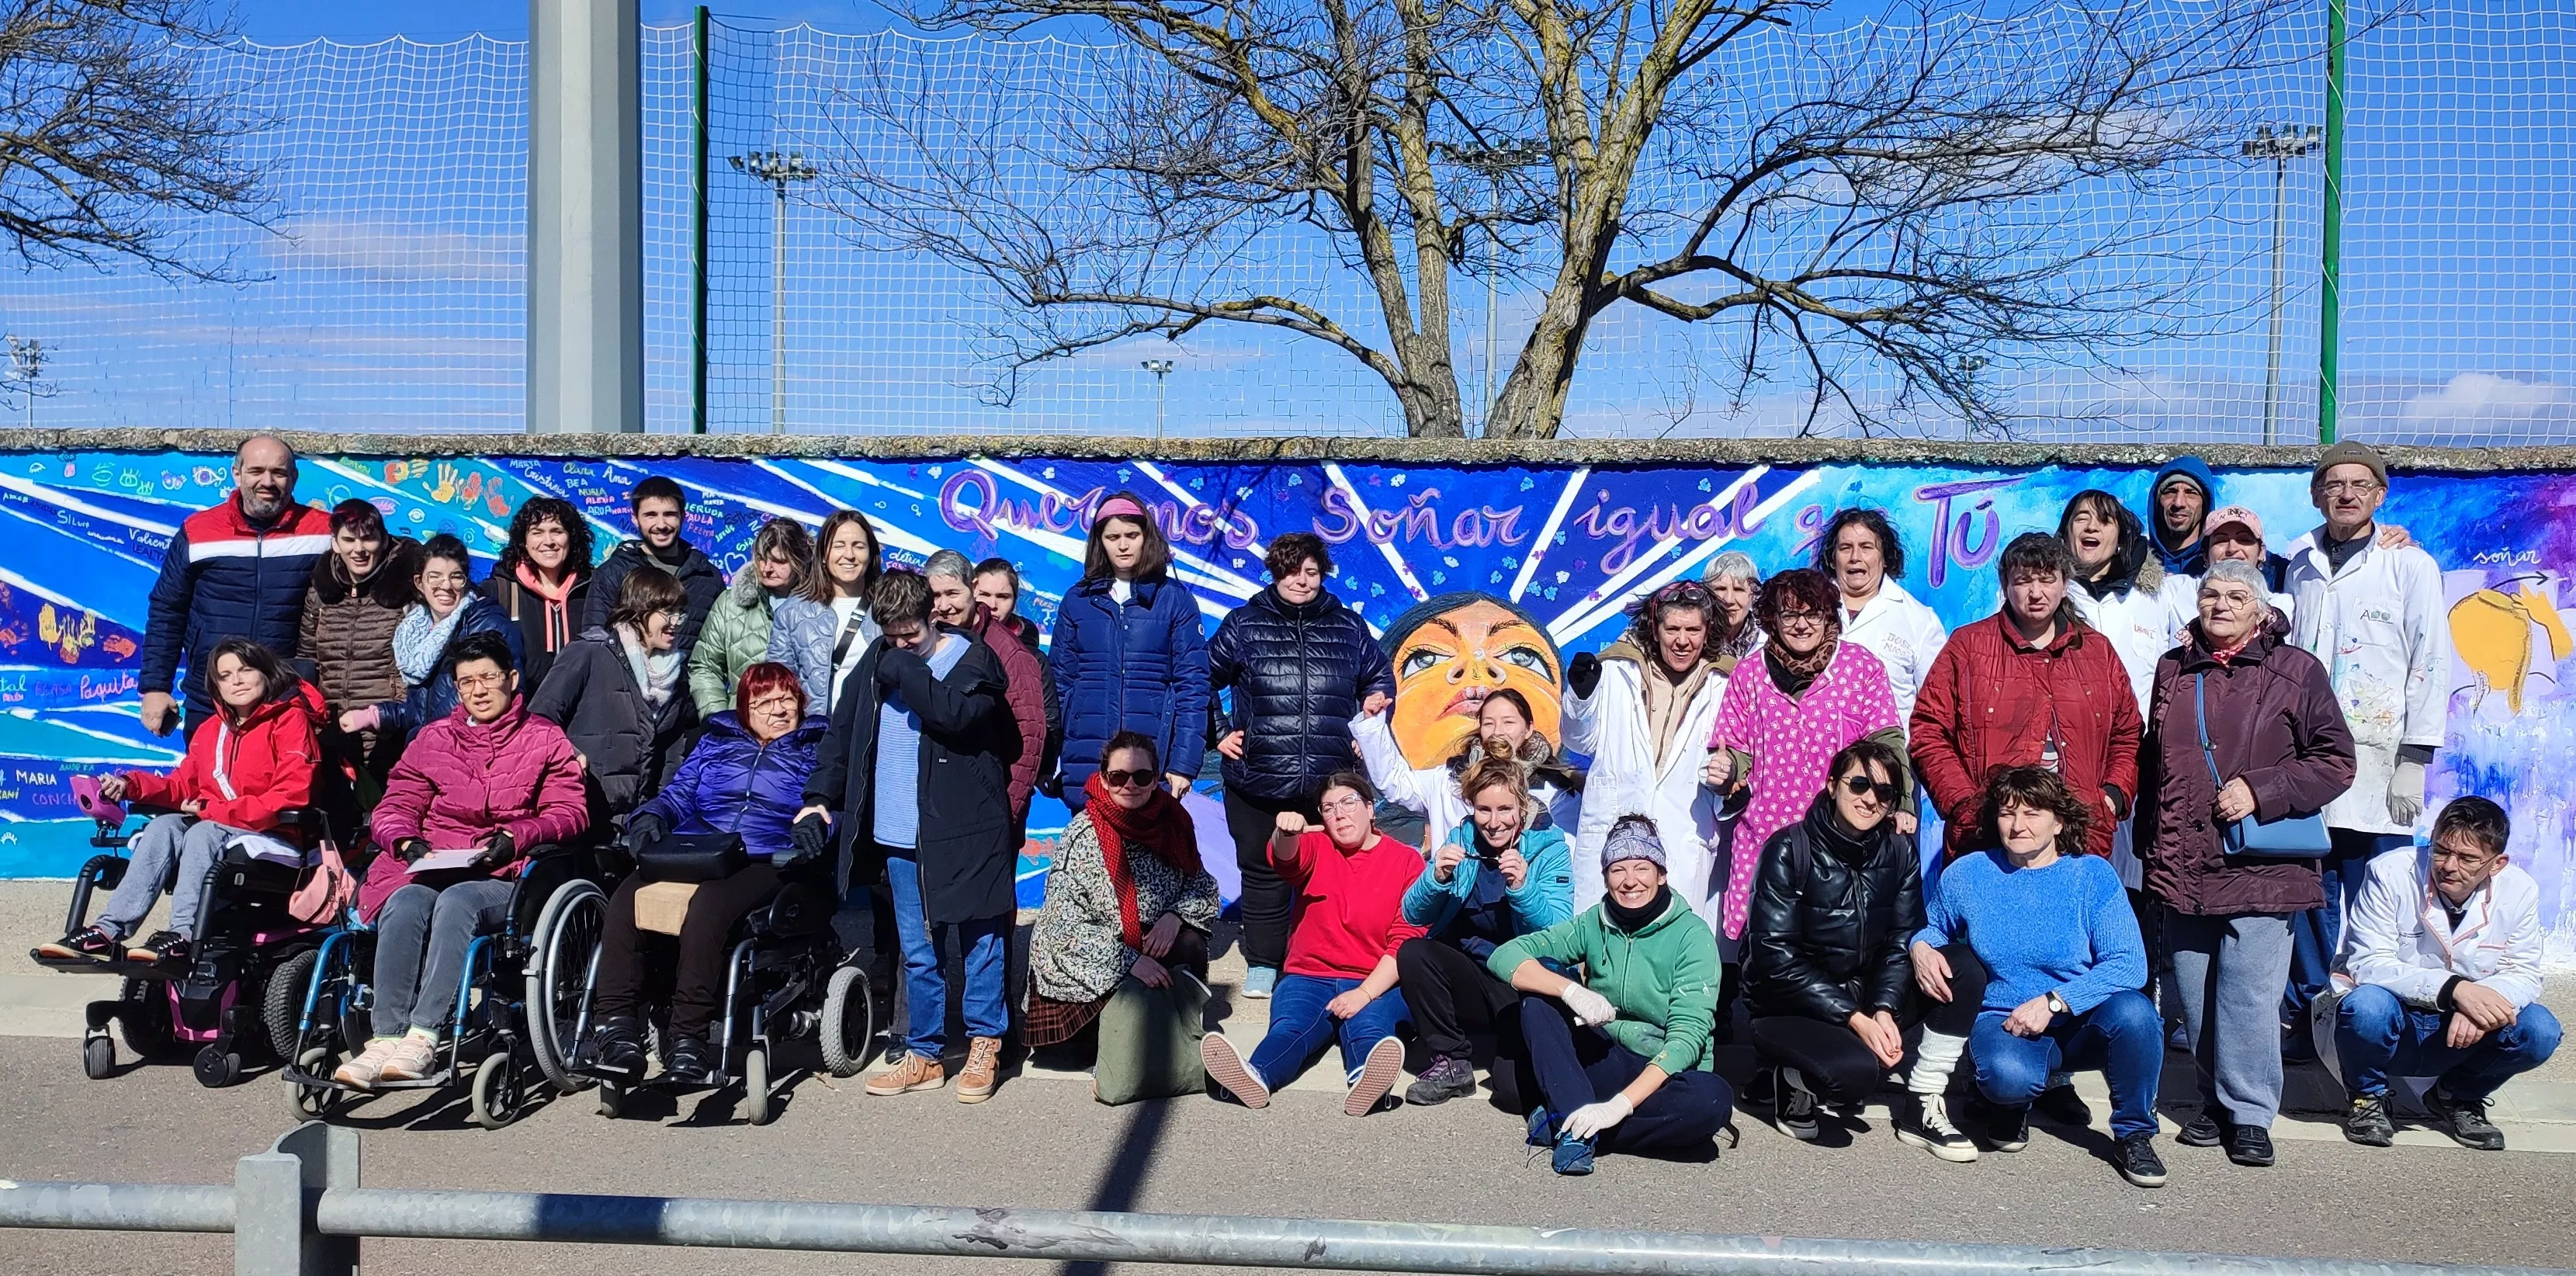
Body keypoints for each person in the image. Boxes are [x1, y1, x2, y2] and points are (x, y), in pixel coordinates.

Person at [2140, 559, 2356, 1167]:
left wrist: (2261, 790)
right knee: (2193, 995)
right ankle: (2213, 1101)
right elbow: (2155, 762)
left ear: (2260, 610)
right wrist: (2150, 846)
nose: (2221, 605)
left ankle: (2250, 1113)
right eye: (2210, 594)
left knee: (2248, 996)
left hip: (2260, 863)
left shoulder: (2296, 670)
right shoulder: (2173, 668)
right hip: (2183, 860)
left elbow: (2335, 760)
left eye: (2237, 596)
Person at [799, 570, 1019, 1104]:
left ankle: (984, 1044)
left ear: (933, 617)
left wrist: (905, 668)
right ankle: (924, 1054)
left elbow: (955, 715)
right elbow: (842, 733)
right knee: (919, 951)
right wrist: (819, 796)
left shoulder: (973, 661)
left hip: (967, 830)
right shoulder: (878, 659)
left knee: (981, 943)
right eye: (891, 636)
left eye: (911, 635)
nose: (900, 646)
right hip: (898, 832)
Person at [334, 633, 588, 1088]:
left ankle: (424, 1036)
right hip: (435, 862)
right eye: (467, 681)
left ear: (512, 679)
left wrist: (517, 836)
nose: (478, 690)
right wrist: (406, 842)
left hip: (505, 871)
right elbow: (396, 805)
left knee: (458, 903)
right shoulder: (432, 739)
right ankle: (386, 1038)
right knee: (404, 903)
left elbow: (570, 812)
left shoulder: (545, 738)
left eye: (488, 677)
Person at [1909, 766, 2167, 1188]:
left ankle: (2134, 1134)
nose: (2018, 825)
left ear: (2059, 822)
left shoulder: (2091, 876)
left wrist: (2055, 1002)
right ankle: (2013, 1103)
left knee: (2137, 1015)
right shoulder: (1969, 874)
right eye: (2008, 813)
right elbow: (1934, 928)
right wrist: (1921, 946)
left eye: (2032, 813)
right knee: (2007, 1079)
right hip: (2006, 1019)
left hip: (2081, 1019)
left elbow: (2129, 964)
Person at [580, 662, 829, 1087]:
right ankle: (617, 1030)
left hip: (764, 855)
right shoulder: (717, 740)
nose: (778, 710)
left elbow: (830, 803)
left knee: (707, 907)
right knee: (627, 898)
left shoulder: (816, 746)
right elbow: (679, 794)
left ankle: (688, 1040)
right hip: (699, 849)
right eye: (764, 702)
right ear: (744, 708)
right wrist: (651, 816)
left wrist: (819, 822)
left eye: (787, 700)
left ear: (801, 704)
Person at [2283, 441, 2454, 1042]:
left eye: (2359, 484)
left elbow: (2430, 658)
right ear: (2316, 495)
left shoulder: (2409, 565)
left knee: (2379, 888)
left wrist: (2415, 755)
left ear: (2379, 495)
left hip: (2380, 760)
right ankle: (2309, 1009)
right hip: (2306, 754)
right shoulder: (2297, 563)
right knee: (2309, 888)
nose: (2346, 494)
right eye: (2333, 484)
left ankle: (2374, 1014)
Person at [39, 640, 322, 966]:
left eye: (245, 670)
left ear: (265, 673)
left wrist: (210, 811)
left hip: (278, 834)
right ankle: (106, 932)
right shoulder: (212, 729)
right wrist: (129, 786)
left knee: (202, 832)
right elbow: (181, 786)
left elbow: (290, 795)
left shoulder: (290, 721)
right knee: (164, 826)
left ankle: (182, 937)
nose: (237, 681)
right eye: (225, 675)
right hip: (224, 828)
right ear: (216, 685)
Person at [1491, 817, 1735, 1176]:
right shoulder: (1594, 922)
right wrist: (1571, 990)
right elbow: (1504, 956)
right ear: (1606, 878)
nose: (1630, 880)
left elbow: (1687, 1039)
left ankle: (1569, 1124)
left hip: (1662, 1071)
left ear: (1661, 874)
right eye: (1618, 869)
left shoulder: (1692, 935)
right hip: (1606, 1054)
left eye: (1642, 867)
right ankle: (1577, 1128)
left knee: (1711, 1100)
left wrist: (1618, 1106)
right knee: (1539, 989)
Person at [1208, 532, 1395, 999]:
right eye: (1292, 571)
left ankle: (1325, 961)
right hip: (1258, 778)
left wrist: (1373, 712)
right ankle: (1264, 963)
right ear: (1275, 573)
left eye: (1311, 571)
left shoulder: (1348, 627)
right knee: (1264, 871)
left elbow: (1379, 678)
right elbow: (1200, 678)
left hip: (1329, 781)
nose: (1301, 580)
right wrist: (1218, 731)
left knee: (1332, 873)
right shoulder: (1244, 624)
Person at [2335, 796, 2560, 1152]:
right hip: (2396, 1022)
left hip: (2459, 1035)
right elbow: (2367, 962)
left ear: (2497, 864)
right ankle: (2367, 1097)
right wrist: (2456, 990)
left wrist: (2479, 1008)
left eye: (2467, 858)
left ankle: (2457, 1096)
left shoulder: (2520, 890)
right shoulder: (2389, 872)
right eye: (2440, 851)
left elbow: (2523, 972)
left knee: (2540, 1030)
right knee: (2366, 1006)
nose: (2448, 866)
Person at [1198, 772, 1422, 1117]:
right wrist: (1285, 832)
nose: (1339, 814)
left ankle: (1367, 1080)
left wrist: (1364, 994)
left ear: (1370, 809)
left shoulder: (1406, 860)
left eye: (1348, 803)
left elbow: (1406, 938)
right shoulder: (1316, 845)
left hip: (1375, 978)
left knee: (1369, 1027)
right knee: (1291, 1028)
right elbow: (1285, 859)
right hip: (1309, 974)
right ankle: (1255, 1075)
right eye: (1328, 808)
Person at [1910, 533, 2141, 865]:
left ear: (2065, 584)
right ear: (2006, 585)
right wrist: (1964, 803)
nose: (2036, 593)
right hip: (1987, 840)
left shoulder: (2097, 651)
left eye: (2047, 580)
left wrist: (2112, 796)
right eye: (2023, 581)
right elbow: (1929, 731)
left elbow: (2127, 732)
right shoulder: (1968, 646)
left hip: (2080, 839)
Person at [1704, 568, 1906, 944]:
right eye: (1790, 615)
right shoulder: (1749, 674)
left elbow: (1888, 743)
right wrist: (1728, 769)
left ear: (1829, 616)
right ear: (1772, 619)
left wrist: (1903, 802)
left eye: (1812, 614)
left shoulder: (1861, 668)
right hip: (1766, 834)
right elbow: (1735, 748)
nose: (1801, 625)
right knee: (1766, 947)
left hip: (1841, 839)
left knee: (1836, 942)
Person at [1025, 732, 1222, 1105]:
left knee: (1192, 943)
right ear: (1103, 779)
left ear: (1156, 778)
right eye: (1118, 777)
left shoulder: (1174, 822)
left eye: (1142, 776)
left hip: (1152, 940)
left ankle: (1166, 1047)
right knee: (1076, 1053)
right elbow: (1062, 928)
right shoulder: (1082, 833)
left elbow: (1202, 886)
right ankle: (1166, 1050)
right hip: (1094, 959)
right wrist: (1128, 962)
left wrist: (1175, 916)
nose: (1130, 785)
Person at [1741, 740, 1923, 1141]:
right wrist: (1854, 1018)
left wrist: (1884, 1010)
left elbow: (1901, 939)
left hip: (1863, 995)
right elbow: (1775, 957)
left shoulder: (1899, 851)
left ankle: (1926, 1096)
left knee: (1957, 968)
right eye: (1859, 784)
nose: (1870, 799)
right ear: (1832, 785)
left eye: (1884, 792)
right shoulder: (1789, 849)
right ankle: (1790, 1076)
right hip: (1790, 1005)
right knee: (1853, 1076)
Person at [1395, 758, 1574, 1107]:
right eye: (1484, 810)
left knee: (1512, 1093)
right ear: (1472, 807)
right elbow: (1412, 914)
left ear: (1523, 807)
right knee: (1414, 952)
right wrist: (1436, 878)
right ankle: (1451, 1061)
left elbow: (1559, 934)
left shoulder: (1550, 849)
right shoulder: (1461, 839)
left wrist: (1523, 888)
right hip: (1471, 977)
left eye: (1505, 809)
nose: (1494, 823)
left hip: (1521, 983)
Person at [140, 435, 334, 737]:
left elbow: (379, 559)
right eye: (256, 471)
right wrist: (155, 686)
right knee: (209, 772)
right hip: (212, 697)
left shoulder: (324, 532)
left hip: (286, 698)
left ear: (294, 478)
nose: (267, 482)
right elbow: (168, 609)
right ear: (237, 473)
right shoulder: (198, 531)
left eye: (278, 473)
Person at [1562, 580, 1728, 930]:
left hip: (1683, 834)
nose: (1682, 641)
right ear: (1655, 629)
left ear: (1707, 631)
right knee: (1601, 943)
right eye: (1673, 629)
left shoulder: (1725, 683)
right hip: (1614, 827)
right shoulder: (1616, 670)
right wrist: (1580, 698)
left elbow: (1736, 762)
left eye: (1692, 630)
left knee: (1673, 945)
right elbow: (1579, 742)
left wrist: (1728, 781)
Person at [1049, 494, 1211, 806]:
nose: (1123, 545)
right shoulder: (1077, 600)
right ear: (1100, 542)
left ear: (1146, 538)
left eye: (1131, 535)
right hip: (1088, 757)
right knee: (1090, 839)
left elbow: (1193, 687)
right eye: (1113, 537)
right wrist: (1048, 759)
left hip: (1152, 762)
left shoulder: (1174, 599)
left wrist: (1184, 764)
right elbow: (1059, 685)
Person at [530, 567, 699, 820]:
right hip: (584, 810)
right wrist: (573, 760)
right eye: (668, 612)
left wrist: (660, 808)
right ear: (640, 610)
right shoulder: (589, 652)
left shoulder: (676, 674)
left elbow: (673, 748)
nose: (676, 622)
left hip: (638, 817)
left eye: (679, 613)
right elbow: (540, 720)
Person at [1355, 686, 1583, 862]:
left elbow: (1567, 854)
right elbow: (1396, 783)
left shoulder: (1556, 791)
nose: (1498, 732)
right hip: (1457, 899)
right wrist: (1373, 725)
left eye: (1509, 722)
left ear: (1528, 729)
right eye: (1489, 723)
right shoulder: (1450, 779)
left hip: (1523, 901)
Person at [338, 534, 523, 742]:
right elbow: (423, 714)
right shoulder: (415, 632)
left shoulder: (486, 625)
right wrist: (375, 716)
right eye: (435, 576)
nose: (446, 586)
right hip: (430, 748)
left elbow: (509, 703)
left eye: (456, 576)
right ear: (420, 582)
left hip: (470, 749)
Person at [298, 500, 419, 796]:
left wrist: (397, 719)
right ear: (335, 544)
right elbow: (307, 662)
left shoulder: (407, 593)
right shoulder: (320, 595)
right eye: (349, 540)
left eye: (368, 539)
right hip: (332, 734)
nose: (359, 549)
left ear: (384, 540)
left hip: (389, 735)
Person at [927, 549, 1047, 828]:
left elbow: (1029, 738)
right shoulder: (922, 641)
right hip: (932, 813)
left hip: (987, 816)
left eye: (952, 594)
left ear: (972, 588)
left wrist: (1004, 815)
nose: (944, 605)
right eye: (936, 595)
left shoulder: (1009, 653)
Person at [1817, 508, 1947, 733]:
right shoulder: (1806, 611)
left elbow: (1937, 707)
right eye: (1845, 548)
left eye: (1866, 547)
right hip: (1817, 750)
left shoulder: (1920, 621)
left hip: (1889, 753)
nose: (1855, 557)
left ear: (1885, 557)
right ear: (1832, 558)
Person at [687, 518, 812, 718]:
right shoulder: (730, 604)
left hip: (802, 729)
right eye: (761, 559)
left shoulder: (823, 608)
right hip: (743, 728)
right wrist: (719, 720)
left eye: (779, 561)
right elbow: (705, 667)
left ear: (801, 560)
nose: (767, 568)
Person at [583, 475, 723, 654]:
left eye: (669, 515)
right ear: (635, 518)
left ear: (683, 517)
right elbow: (594, 641)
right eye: (651, 515)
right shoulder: (613, 574)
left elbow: (719, 647)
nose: (661, 525)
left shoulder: (707, 577)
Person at [769, 509, 884, 715]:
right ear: (823, 555)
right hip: (817, 729)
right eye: (839, 546)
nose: (849, 555)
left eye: (858, 546)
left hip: (874, 729)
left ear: (871, 554)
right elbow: (779, 684)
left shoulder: (890, 607)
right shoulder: (791, 613)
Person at [480, 495, 595, 692]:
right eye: (537, 532)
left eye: (557, 531)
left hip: (583, 707)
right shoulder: (498, 591)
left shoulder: (593, 589)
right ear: (524, 541)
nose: (548, 541)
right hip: (523, 708)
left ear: (571, 538)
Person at [973, 556, 1061, 787]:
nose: (992, 605)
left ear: (1015, 600)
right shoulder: (954, 642)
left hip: (1013, 771)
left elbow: (1049, 718)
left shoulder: (1033, 657)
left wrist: (1045, 766)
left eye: (1003, 596)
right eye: (984, 595)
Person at [2200, 507, 2295, 621]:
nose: (2232, 548)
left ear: (2261, 552)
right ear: (2205, 555)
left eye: (2244, 539)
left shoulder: (2285, 607)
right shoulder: (2183, 595)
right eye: (2221, 540)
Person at [2145, 456, 2217, 577]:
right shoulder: (2134, 562)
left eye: (2191, 493)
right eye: (2170, 492)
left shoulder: (2216, 566)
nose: (2179, 503)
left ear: (2205, 505)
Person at [1700, 550, 1765, 676]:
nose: (1729, 599)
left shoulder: (1769, 645)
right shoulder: (1695, 641)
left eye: (1738, 589)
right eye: (1721, 589)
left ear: (1753, 596)